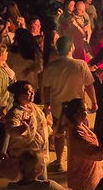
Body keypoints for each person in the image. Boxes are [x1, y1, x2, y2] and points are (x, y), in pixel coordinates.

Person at [42, 36, 98, 172]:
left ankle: (59, 162)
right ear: (71, 48)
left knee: (59, 133)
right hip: (78, 107)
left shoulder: (50, 67)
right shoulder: (81, 64)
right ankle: (82, 162)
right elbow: (89, 86)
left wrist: (47, 104)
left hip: (58, 107)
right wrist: (94, 103)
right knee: (80, 133)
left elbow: (46, 88)